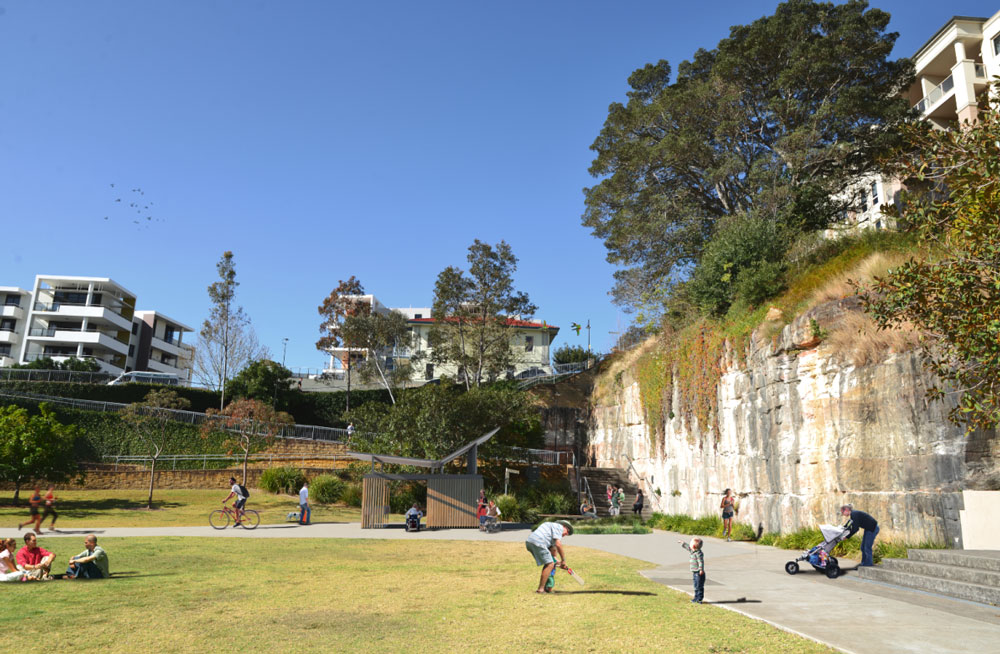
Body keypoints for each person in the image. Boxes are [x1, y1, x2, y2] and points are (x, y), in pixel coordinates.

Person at [525, 519, 573, 594]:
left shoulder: (551, 533)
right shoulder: (558, 527)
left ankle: (544, 588)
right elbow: (558, 544)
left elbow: (552, 556)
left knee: (549, 563)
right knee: (550, 564)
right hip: (539, 541)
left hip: (530, 542)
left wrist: (560, 564)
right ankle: (541, 589)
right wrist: (563, 560)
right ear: (564, 526)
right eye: (568, 531)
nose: (567, 534)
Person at [678, 537, 706, 603]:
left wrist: (701, 570)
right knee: (696, 586)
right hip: (695, 573)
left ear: (693, 546)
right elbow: (688, 548)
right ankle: (696, 598)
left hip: (699, 573)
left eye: (690, 544)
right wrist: (683, 543)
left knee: (699, 586)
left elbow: (700, 562)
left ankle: (699, 599)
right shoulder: (693, 551)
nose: (689, 546)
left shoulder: (698, 554)